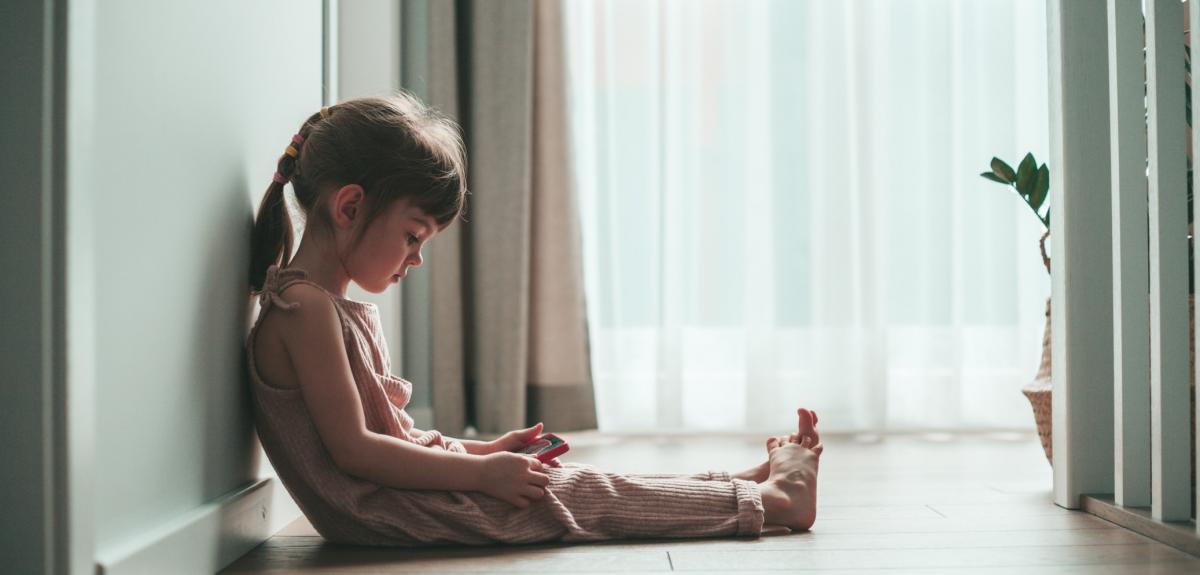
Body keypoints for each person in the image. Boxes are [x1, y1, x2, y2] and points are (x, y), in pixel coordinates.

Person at [246, 92, 823, 546]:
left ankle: (743, 486)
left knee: (582, 485)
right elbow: (357, 453)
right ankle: (772, 503)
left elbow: (390, 439)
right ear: (350, 207)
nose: (416, 258)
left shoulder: (318, 305)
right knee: (584, 496)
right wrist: (481, 476)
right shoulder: (305, 311)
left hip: (396, 497)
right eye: (412, 236)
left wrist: (482, 453)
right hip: (385, 513)